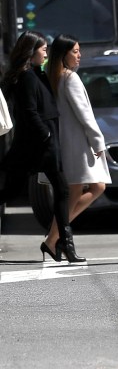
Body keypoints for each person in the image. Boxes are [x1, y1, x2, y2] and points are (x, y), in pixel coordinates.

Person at [0, 31, 84, 262]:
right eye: (43, 49)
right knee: (20, 191)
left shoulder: (37, 74)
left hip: (42, 142)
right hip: (37, 144)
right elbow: (29, 112)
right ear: (31, 51)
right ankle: (62, 244)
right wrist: (46, 134)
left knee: (57, 190)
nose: (46, 52)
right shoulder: (27, 76)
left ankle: (60, 244)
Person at [42, 35, 111, 254]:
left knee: (86, 189)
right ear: (63, 55)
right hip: (77, 145)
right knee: (89, 188)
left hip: (66, 143)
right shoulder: (69, 78)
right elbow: (85, 115)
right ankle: (53, 238)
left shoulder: (53, 77)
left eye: (79, 51)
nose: (79, 56)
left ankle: (53, 238)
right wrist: (98, 140)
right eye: (75, 52)